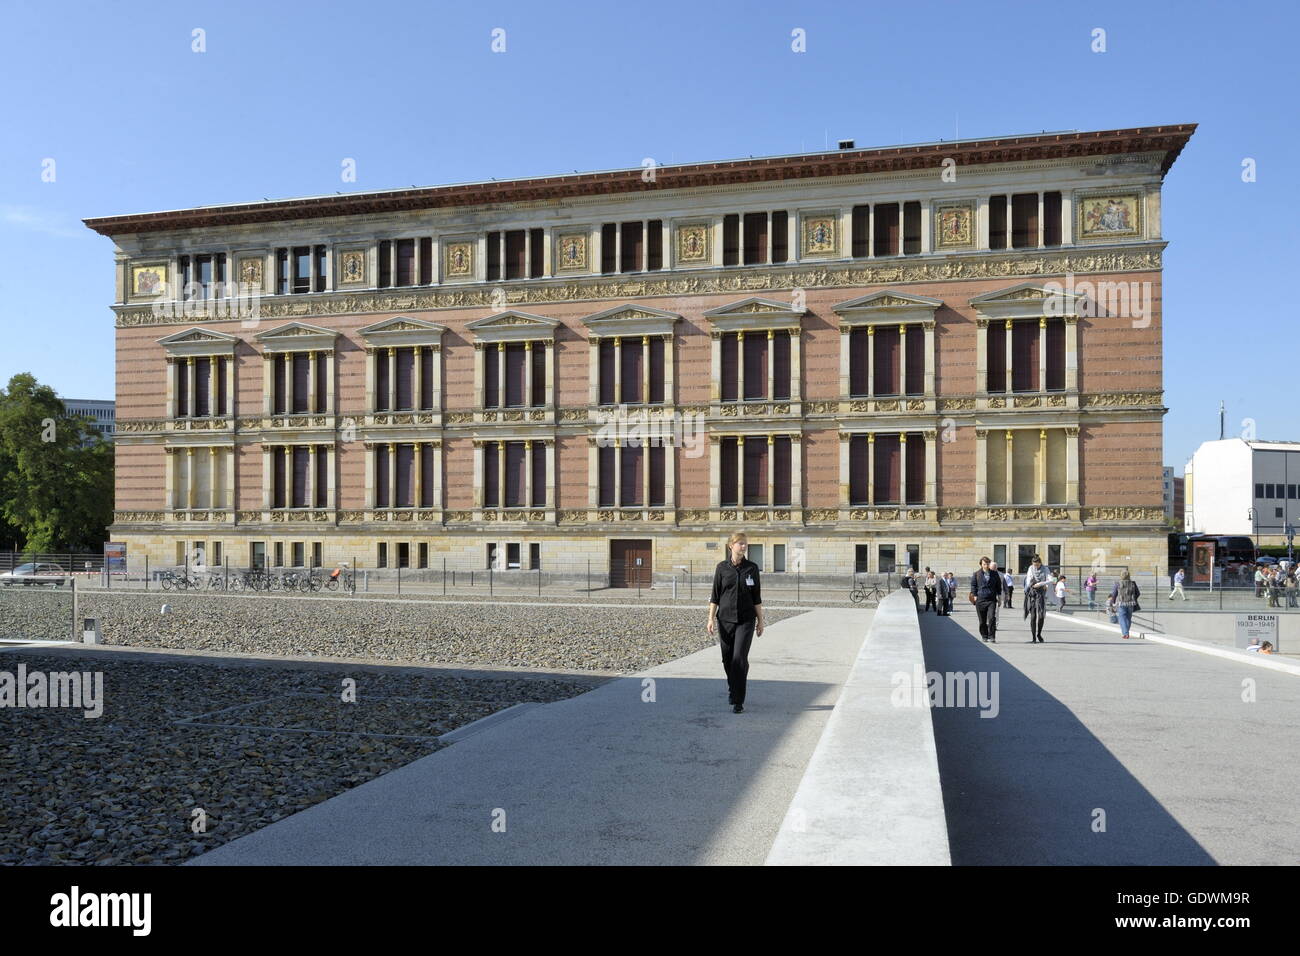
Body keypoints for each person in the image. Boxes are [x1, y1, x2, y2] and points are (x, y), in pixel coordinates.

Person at [707, 531, 764, 714]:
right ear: (731, 546)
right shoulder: (721, 568)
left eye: (745, 543)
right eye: (740, 543)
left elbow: (757, 597)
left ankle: (738, 700)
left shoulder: (752, 568)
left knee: (739, 658)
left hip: (746, 620)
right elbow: (715, 595)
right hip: (725, 620)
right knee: (727, 659)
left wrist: (760, 621)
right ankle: (733, 687)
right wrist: (710, 619)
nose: (744, 546)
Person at [968, 556, 1003, 642]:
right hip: (980, 599)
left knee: (991, 618)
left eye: (987, 563)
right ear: (981, 564)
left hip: (991, 599)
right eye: (984, 564)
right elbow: (973, 585)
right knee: (982, 621)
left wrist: (999, 596)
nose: (986, 565)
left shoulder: (994, 574)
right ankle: (984, 635)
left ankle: (992, 636)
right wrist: (975, 595)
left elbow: (998, 585)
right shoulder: (976, 574)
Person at [1023, 555, 1051, 642]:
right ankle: (1033, 637)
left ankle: (1039, 634)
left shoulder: (1045, 569)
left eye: (1037, 565)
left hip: (1041, 594)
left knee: (1041, 616)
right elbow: (1028, 579)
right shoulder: (1030, 568)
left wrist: (1042, 583)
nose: (1036, 567)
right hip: (1032, 594)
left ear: (1040, 563)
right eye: (1034, 565)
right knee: (1033, 616)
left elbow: (1051, 579)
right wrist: (1031, 584)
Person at [1109, 569, 1141, 640]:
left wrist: (1112, 602)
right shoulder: (1133, 583)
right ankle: (1126, 632)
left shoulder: (1118, 583)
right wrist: (1133, 598)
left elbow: (1114, 594)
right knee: (1128, 618)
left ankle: (1125, 633)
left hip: (1121, 603)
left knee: (1122, 618)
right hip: (1131, 603)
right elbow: (1138, 593)